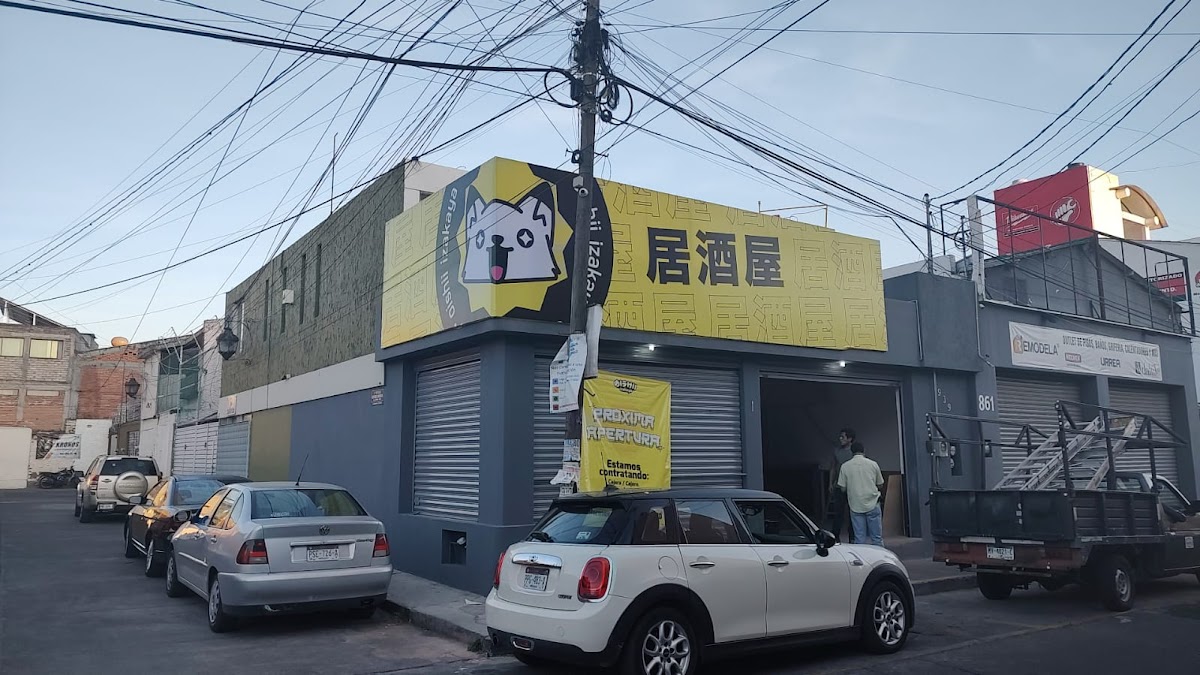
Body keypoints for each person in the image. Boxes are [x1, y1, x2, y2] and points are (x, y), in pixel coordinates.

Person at [837, 441, 885, 547]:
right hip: (873, 503)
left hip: (855, 505)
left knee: (859, 539)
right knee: (877, 538)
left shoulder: (845, 466)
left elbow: (842, 488)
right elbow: (880, 484)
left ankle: (862, 561)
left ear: (851, 452)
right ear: (864, 451)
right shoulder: (873, 464)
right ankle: (880, 559)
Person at [823, 428, 855, 541]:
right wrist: (830, 483)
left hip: (852, 486)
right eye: (840, 436)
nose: (840, 439)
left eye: (843, 437)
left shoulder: (854, 451)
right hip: (838, 485)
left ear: (850, 439)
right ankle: (835, 536)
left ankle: (852, 536)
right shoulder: (837, 451)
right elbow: (833, 468)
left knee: (853, 513)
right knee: (838, 512)